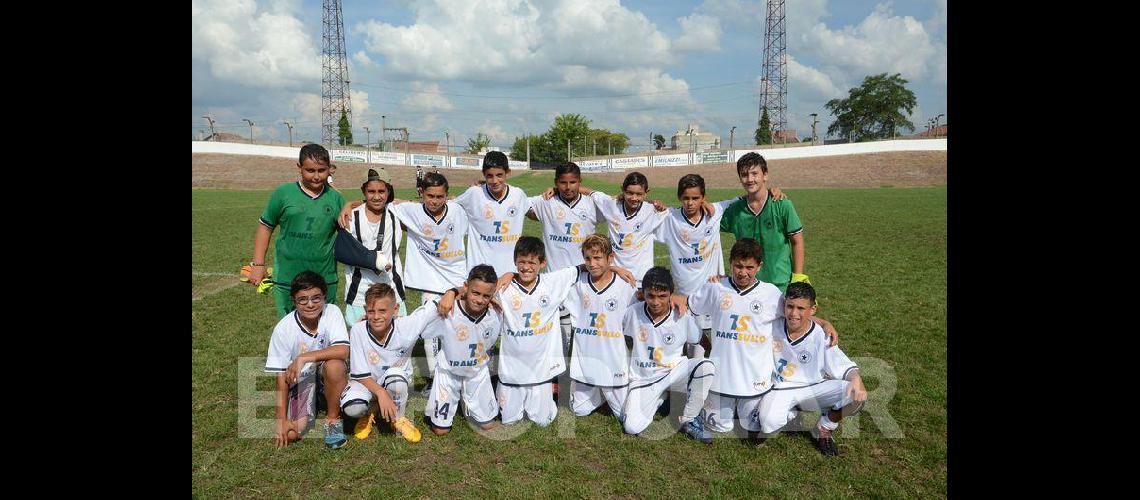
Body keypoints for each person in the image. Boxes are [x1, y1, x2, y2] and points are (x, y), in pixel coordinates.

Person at [685, 238, 839, 439]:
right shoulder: (716, 288)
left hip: (755, 382)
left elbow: (795, 313)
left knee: (754, 429)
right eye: (738, 266)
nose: (743, 272)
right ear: (730, 262)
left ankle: (792, 410)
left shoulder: (771, 294)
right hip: (722, 379)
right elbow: (689, 306)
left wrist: (824, 323)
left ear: (759, 266)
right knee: (718, 427)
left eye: (749, 267)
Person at [757, 282, 867, 456]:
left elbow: (845, 367)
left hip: (815, 387)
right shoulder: (771, 325)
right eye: (790, 306)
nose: (793, 313)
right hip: (780, 388)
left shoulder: (821, 335)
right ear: (784, 305)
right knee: (768, 425)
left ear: (812, 309)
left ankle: (825, 426)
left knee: (858, 395)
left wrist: (856, 379)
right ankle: (792, 415)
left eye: (801, 308)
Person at [386, 172, 470, 397]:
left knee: (458, 330)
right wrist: (349, 205)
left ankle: (461, 375)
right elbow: (380, 202)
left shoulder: (458, 211)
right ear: (421, 194)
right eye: (430, 196)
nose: (435, 201)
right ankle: (435, 379)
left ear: (447, 196)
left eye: (440, 196)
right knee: (430, 333)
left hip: (458, 280)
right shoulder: (411, 211)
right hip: (430, 282)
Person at [249, 144, 348, 319]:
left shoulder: (337, 198)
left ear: (329, 170)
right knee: (290, 332)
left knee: (322, 333)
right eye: (310, 170)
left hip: (324, 278)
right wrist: (258, 264)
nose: (316, 176)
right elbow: (265, 227)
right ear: (299, 168)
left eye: (322, 170)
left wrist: (350, 204)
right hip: (288, 277)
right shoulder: (283, 193)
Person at [620, 267, 716, 443]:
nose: (656, 302)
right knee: (632, 427)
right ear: (643, 294)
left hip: (674, 372)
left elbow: (699, 339)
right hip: (644, 379)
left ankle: (689, 419)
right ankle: (663, 400)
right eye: (651, 296)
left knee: (706, 366)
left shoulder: (681, 315)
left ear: (671, 295)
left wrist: (711, 350)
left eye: (662, 296)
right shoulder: (632, 312)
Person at [339, 283, 439, 443]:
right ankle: (370, 410)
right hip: (367, 383)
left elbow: (433, 308)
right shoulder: (358, 330)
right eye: (371, 311)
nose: (376, 316)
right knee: (352, 408)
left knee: (396, 377)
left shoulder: (406, 326)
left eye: (382, 311)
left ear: (395, 309)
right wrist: (380, 392)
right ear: (365, 310)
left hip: (395, 381)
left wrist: (455, 292)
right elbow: (360, 374)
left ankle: (397, 418)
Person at [264, 271, 350, 449]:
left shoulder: (332, 312)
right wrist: (281, 419)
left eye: (316, 298)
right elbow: (281, 377)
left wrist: (304, 357)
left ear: (325, 297)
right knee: (292, 433)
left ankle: (332, 420)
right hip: (303, 382)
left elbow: (343, 350)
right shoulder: (283, 329)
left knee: (335, 365)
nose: (310, 304)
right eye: (303, 299)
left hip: (327, 375)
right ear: (294, 301)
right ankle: (314, 403)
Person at [422, 265, 505, 436]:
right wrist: (452, 292)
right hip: (448, 373)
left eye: (486, 296)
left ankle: (469, 400)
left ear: (493, 295)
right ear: (466, 287)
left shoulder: (495, 313)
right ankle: (457, 400)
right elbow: (414, 326)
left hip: (477, 373)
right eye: (475, 293)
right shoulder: (447, 310)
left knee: (488, 426)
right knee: (440, 431)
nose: (480, 300)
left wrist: (510, 274)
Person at [562, 234, 638, 419]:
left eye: (598, 258)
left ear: (610, 258)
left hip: (614, 362)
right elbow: (545, 284)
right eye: (588, 258)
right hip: (585, 362)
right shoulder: (576, 284)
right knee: (579, 410)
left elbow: (651, 300)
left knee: (625, 416)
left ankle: (633, 390)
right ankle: (599, 392)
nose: (592, 263)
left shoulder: (625, 285)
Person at [719, 152, 807, 293]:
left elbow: (797, 241)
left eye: (755, 174)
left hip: (780, 284)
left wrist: (798, 277)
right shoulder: (735, 210)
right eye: (744, 175)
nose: (750, 179)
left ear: (765, 175)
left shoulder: (782, 205)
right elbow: (706, 222)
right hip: (748, 285)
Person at [342, 169, 405, 325]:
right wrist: (349, 205)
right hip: (359, 290)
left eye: (381, 191)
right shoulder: (351, 217)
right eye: (371, 191)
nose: (376, 196)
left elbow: (422, 207)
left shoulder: (396, 213)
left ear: (388, 191)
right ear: (363, 191)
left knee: (396, 335)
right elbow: (344, 251)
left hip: (391, 287)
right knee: (362, 338)